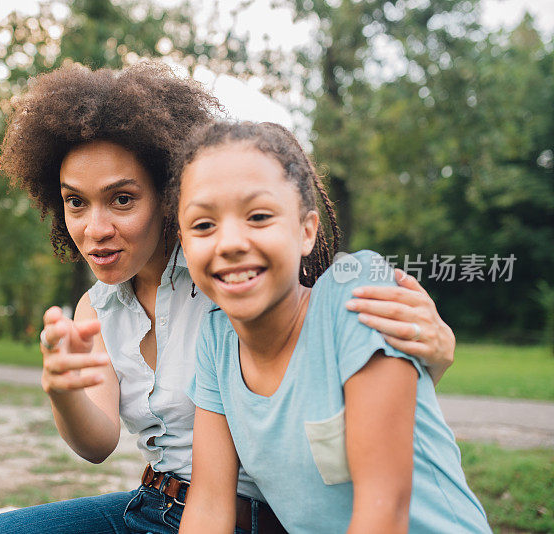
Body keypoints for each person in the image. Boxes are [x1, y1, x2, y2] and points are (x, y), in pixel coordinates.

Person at [0, 63, 456, 534]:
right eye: (75, 203)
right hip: (151, 504)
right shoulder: (103, 310)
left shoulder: (227, 286)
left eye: (123, 199)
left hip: (251, 516)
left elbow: (330, 360)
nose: (97, 228)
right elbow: (98, 443)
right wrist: (63, 391)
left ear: (168, 196)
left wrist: (434, 351)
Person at [174, 121, 490, 533]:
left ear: (306, 231)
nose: (230, 242)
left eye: (259, 216)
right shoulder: (216, 341)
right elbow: (209, 509)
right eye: (203, 225)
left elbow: (384, 509)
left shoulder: (356, 292)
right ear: (184, 243)